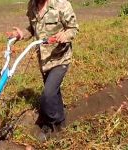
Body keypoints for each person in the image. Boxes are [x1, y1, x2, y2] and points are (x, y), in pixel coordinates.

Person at [9, 0, 79, 139]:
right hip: (44, 60)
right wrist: (21, 34)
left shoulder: (62, 4)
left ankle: (52, 123)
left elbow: (73, 28)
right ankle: (61, 123)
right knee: (54, 92)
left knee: (48, 94)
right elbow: (33, 28)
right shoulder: (32, 5)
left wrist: (65, 35)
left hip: (60, 58)